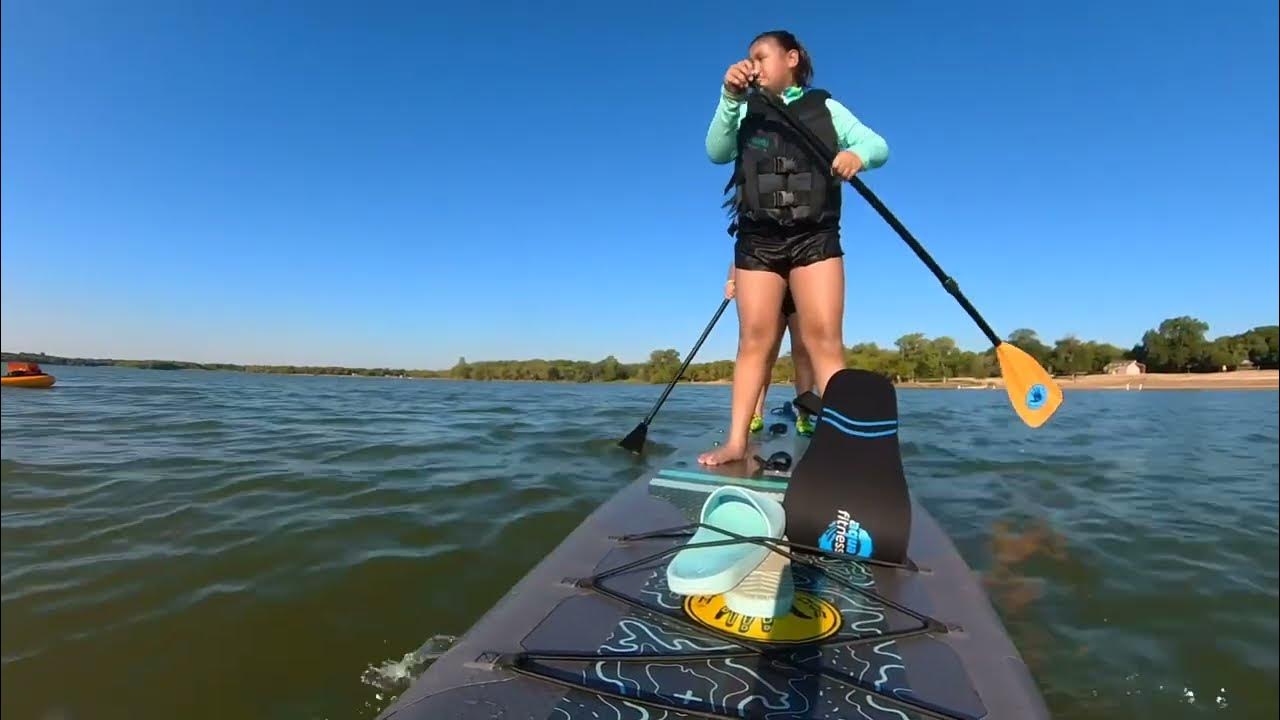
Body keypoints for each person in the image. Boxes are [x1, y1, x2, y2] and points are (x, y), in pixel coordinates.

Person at [699, 30, 888, 466]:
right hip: (757, 241)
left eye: (761, 56)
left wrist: (857, 156)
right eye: (749, 58)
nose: (753, 64)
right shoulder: (744, 109)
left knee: (823, 340)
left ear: (791, 58)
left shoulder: (826, 107)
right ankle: (735, 443)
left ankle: (847, 449)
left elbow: (878, 146)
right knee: (754, 342)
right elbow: (716, 151)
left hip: (814, 238)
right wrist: (728, 97)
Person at [724, 264, 817, 436]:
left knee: (803, 354)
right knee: (764, 355)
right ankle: (755, 414)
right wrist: (731, 279)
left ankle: (804, 416)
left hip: (800, 289)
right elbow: (744, 248)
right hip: (766, 288)